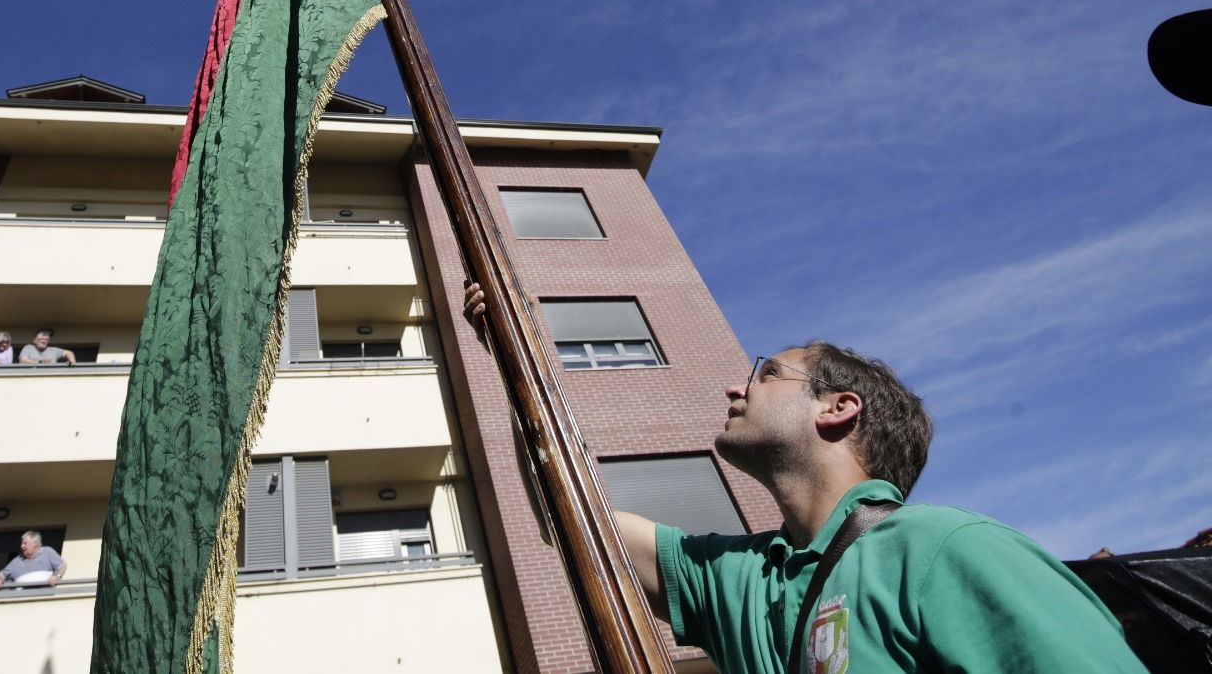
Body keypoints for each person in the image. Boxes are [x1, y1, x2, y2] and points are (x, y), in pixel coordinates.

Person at [462, 284, 1146, 673]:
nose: (736, 387)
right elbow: (571, 517)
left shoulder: (944, 549)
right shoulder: (736, 578)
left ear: (838, 408)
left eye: (766, 372)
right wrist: (512, 362)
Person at [0, 530, 67, 588]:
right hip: (22, 599)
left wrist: (57, 576)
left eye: (25, 543)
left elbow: (62, 566)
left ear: (35, 544)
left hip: (45, 596)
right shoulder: (17, 561)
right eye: (21, 544)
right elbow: (1, 575)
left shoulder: (47, 552)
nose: (21, 546)